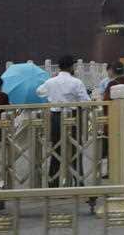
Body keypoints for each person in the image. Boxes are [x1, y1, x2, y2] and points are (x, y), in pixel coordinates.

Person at [36, 55, 91, 187]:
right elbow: (86, 102)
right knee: (75, 149)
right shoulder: (76, 82)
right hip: (72, 115)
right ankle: (78, 181)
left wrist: (52, 97)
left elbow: (39, 92)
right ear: (71, 67)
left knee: (56, 150)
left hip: (55, 116)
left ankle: (53, 182)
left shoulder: (51, 82)